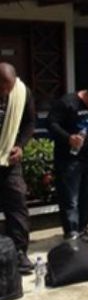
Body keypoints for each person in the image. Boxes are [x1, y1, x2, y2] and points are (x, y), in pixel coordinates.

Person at [47, 84, 88, 244]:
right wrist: (68, 138)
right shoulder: (67, 102)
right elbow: (51, 124)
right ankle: (72, 233)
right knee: (70, 198)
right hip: (68, 158)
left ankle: (83, 230)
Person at [0, 63, 36, 274]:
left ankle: (19, 253)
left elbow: (30, 123)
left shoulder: (22, 92)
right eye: (2, 87)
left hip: (8, 160)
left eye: (9, 88)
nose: (6, 92)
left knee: (17, 205)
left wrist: (20, 145)